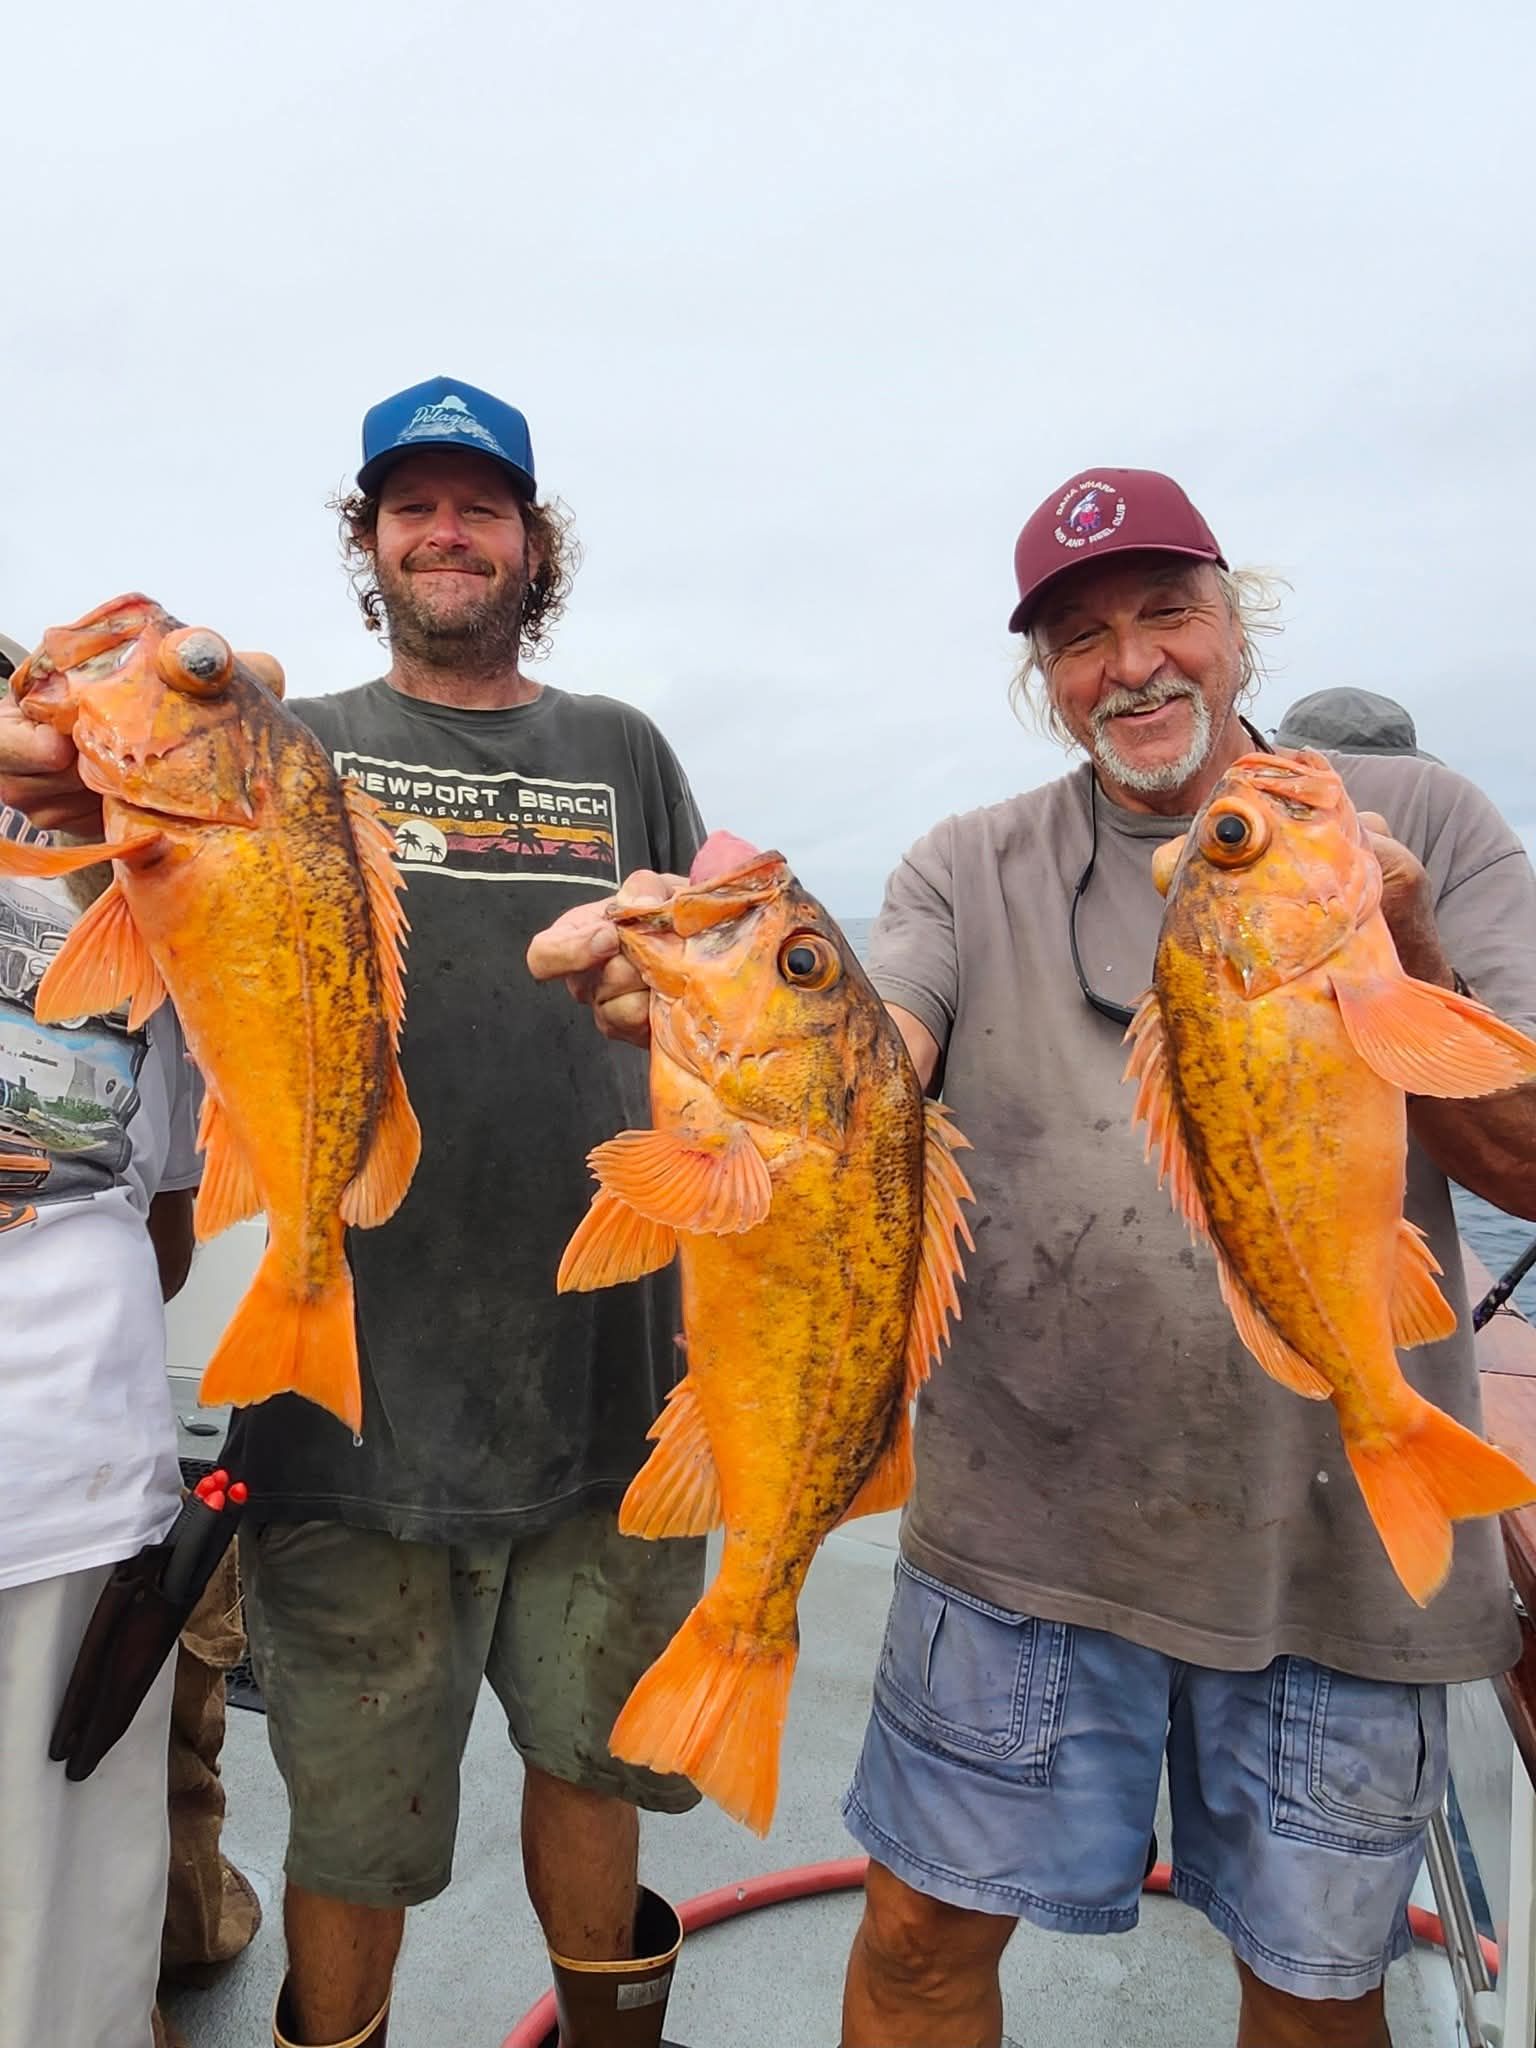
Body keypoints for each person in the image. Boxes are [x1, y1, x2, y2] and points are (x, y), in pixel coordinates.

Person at [528, 467, 1536, 2048]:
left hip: (1332, 1543)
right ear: (1045, 680)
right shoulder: (961, 866)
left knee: (1321, 1990)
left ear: (1233, 622)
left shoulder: (1420, 828)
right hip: (1022, 1534)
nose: (1130, 662)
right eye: (1080, 638)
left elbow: (1526, 1158)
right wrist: (721, 1015)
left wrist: (1396, 949)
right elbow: (880, 1050)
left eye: (1166, 614)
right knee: (920, 1949)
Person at [0, 380, 708, 2048]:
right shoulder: (276, 745)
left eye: (481, 506)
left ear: (533, 544)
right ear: (370, 539)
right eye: (412, 506)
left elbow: (711, 1006)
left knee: (590, 1761)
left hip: (614, 1381)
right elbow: (66, 822)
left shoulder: (624, 752)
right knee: (352, 1820)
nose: (445, 533)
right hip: (352, 1412)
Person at [0, 630, 202, 2048]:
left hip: (69, 1483)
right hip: (75, 1451)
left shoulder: (141, 885)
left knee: (67, 1933)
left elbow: (168, 1206)